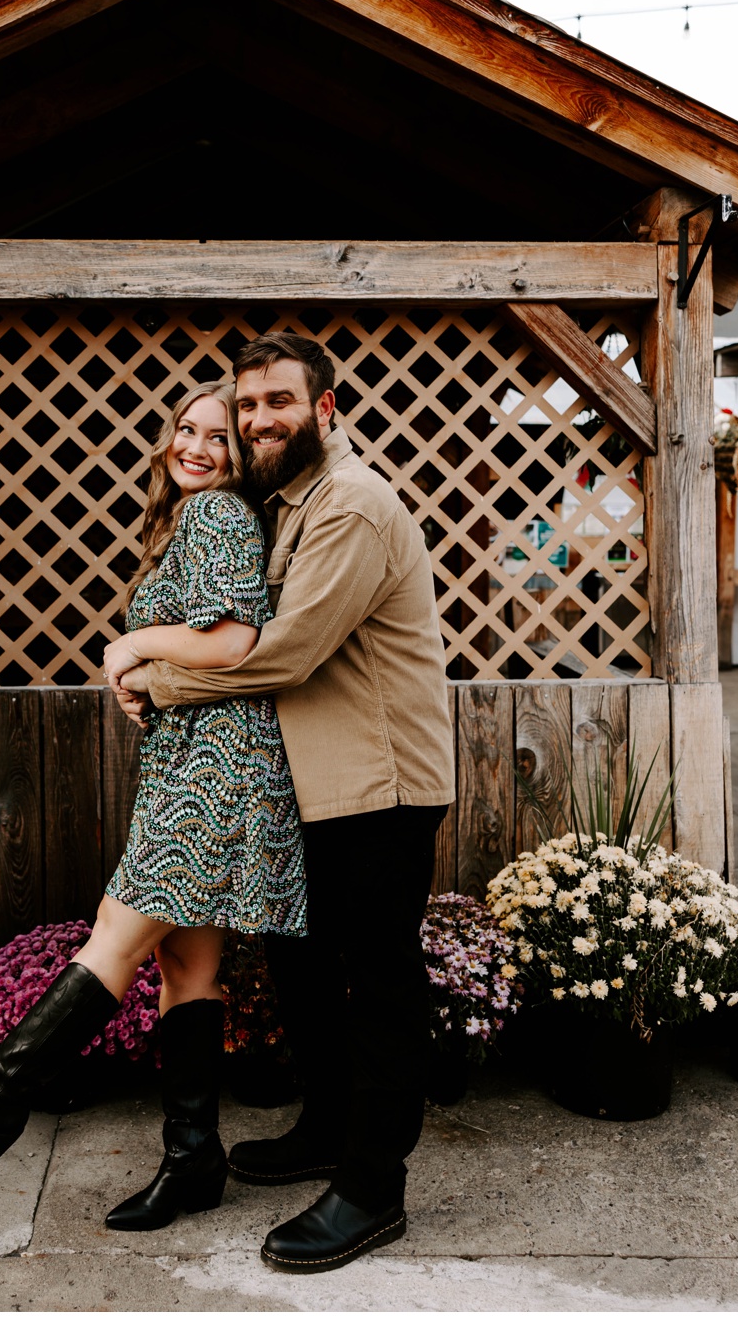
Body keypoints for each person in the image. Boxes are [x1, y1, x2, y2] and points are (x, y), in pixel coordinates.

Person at [0, 382, 308, 1237]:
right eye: (185, 430)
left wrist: (131, 647)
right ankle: (192, 1159)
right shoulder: (197, 520)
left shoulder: (219, 518)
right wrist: (144, 681)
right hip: (201, 764)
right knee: (190, 972)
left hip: (213, 775)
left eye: (218, 436)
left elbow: (234, 641)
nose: (196, 446)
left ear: (241, 453)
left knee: (115, 942)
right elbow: (209, 647)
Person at [112, 330, 455, 1276]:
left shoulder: (350, 506)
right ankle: (327, 1129)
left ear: (327, 410)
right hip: (315, 780)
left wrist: (151, 674)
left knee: (377, 977)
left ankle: (372, 1189)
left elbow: (287, 652)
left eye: (280, 403)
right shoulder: (284, 503)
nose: (260, 420)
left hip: (378, 782)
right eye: (249, 404)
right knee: (302, 966)